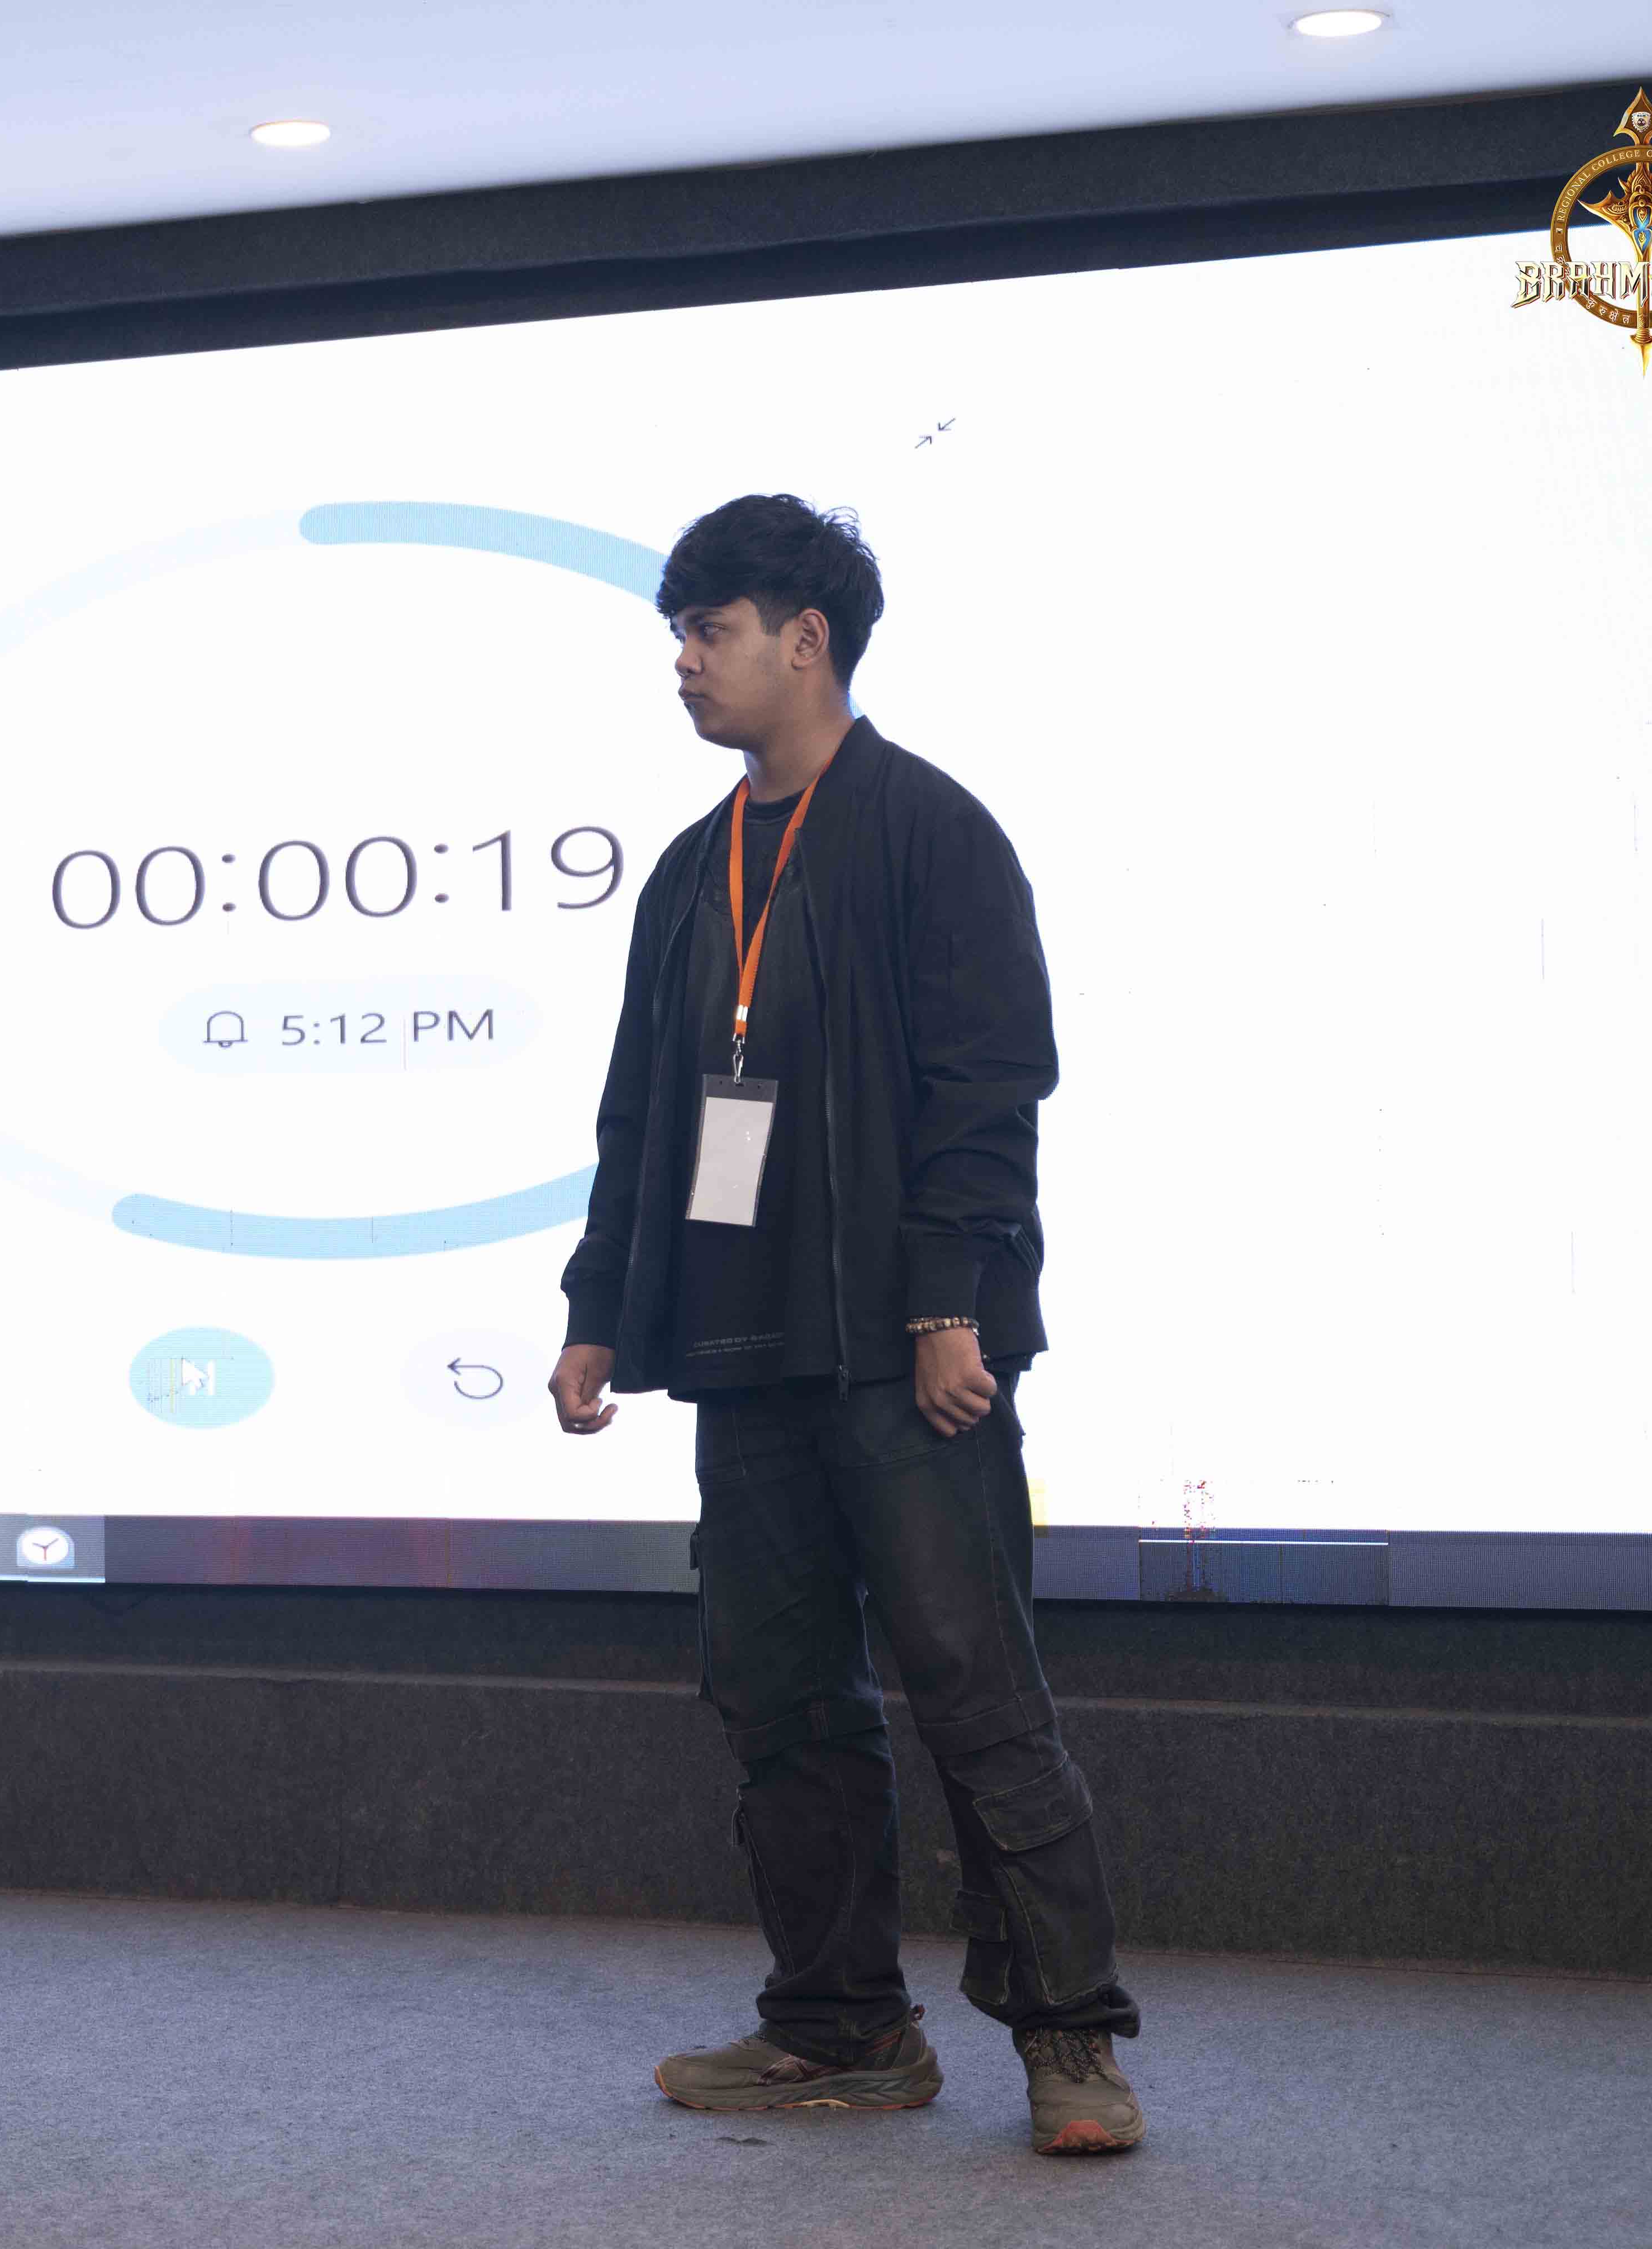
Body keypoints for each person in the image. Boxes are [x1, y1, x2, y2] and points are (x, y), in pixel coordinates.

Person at [547, 496, 1143, 2155]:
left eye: (709, 630)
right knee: (783, 1703)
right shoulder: (691, 871)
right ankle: (840, 2028)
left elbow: (989, 1089)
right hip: (742, 1358)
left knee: (977, 1695)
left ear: (805, 639)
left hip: (907, 1353)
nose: (682, 662)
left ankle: (1072, 2042)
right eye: (677, 634)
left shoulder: (931, 829)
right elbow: (640, 1116)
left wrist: (952, 1300)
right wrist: (599, 1311)